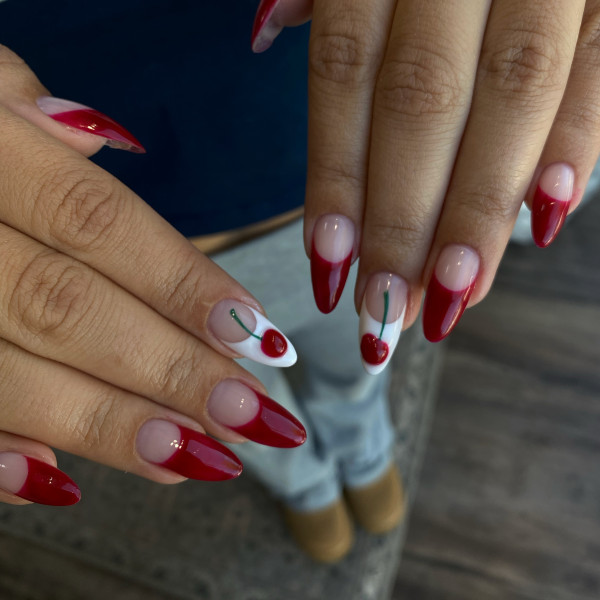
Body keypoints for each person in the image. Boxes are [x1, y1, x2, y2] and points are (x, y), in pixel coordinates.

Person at [0, 0, 597, 563]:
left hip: (330, 180)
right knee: (223, 398)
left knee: (355, 357)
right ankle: (301, 478)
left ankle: (360, 437)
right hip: (105, 247)